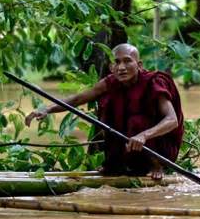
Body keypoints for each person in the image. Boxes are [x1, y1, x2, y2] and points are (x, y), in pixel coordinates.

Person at [25, 43, 184, 180]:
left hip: (158, 147)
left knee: (137, 121)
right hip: (128, 143)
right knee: (109, 117)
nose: (121, 67)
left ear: (139, 65)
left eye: (127, 61)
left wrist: (144, 135)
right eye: (116, 62)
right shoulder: (110, 83)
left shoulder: (153, 81)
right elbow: (77, 99)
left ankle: (156, 165)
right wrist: (47, 109)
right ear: (111, 67)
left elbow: (172, 120)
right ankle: (115, 164)